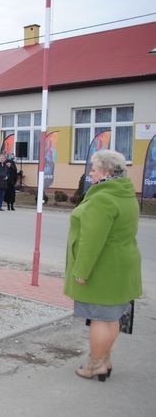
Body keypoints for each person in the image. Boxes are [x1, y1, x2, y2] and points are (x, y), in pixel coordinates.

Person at [64, 150, 142, 381]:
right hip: (122, 266)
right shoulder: (125, 193)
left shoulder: (103, 198)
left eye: (94, 168)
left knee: (100, 318)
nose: (91, 172)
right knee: (112, 317)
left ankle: (94, 364)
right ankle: (105, 360)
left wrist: (81, 270)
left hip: (103, 269)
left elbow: (92, 240)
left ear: (106, 171)